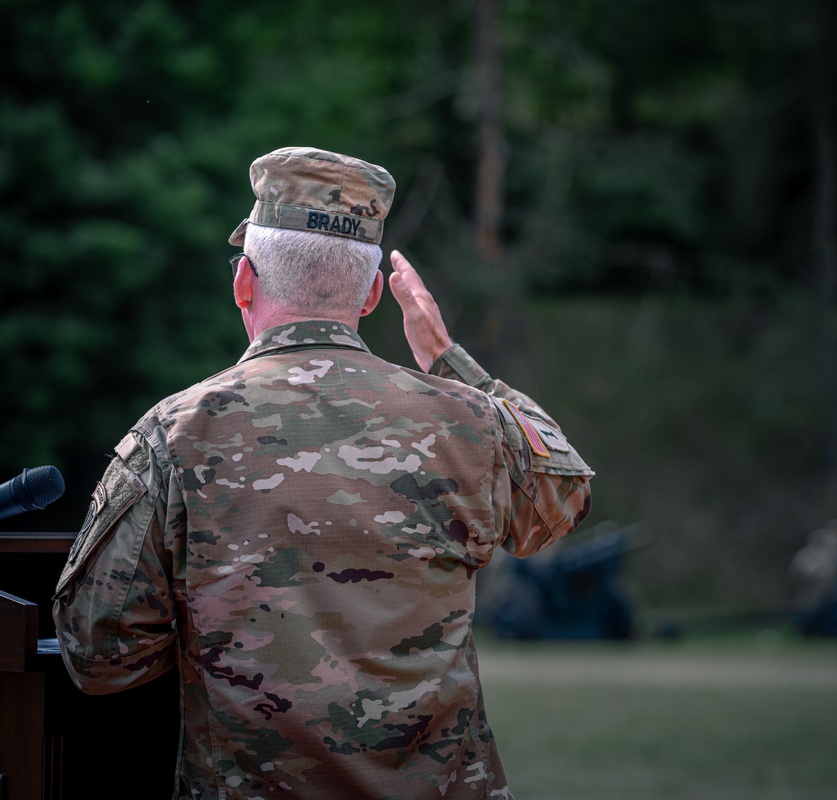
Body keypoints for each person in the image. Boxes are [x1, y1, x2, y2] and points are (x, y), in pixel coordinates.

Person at [52, 146, 594, 800]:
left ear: (244, 283)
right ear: (371, 294)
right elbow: (565, 493)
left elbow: (97, 655)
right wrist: (447, 360)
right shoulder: (468, 425)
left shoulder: (172, 435)